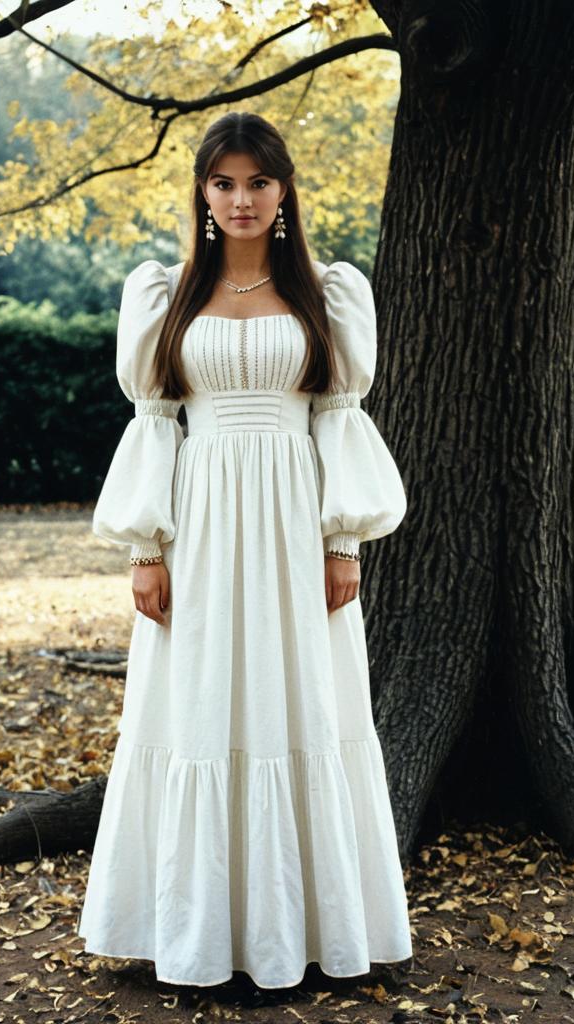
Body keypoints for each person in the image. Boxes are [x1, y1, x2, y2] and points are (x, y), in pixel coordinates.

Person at [77, 110, 413, 989]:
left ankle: (304, 929)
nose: (241, 199)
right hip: (201, 524)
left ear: (284, 189)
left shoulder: (328, 293)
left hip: (297, 523)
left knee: (299, 701)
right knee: (197, 704)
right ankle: (196, 935)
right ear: (202, 191)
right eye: (223, 183)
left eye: (258, 182)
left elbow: (339, 419)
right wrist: (144, 549)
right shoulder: (165, 293)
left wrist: (344, 542)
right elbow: (154, 422)